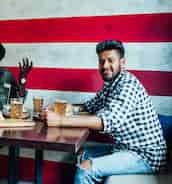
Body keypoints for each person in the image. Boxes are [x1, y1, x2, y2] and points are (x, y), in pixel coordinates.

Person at [45, 40, 167, 184]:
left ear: (122, 63)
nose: (105, 66)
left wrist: (60, 120)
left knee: (85, 170)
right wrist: (62, 109)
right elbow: (89, 106)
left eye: (110, 60)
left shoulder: (127, 85)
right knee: (82, 153)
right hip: (124, 148)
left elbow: (106, 121)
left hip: (145, 155)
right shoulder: (111, 84)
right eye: (101, 61)